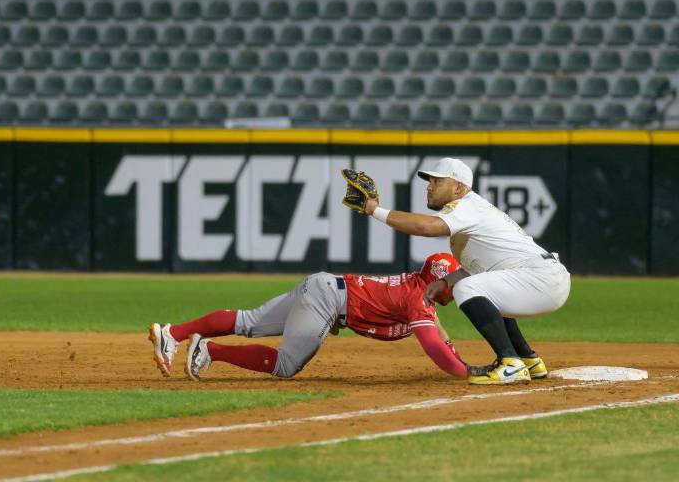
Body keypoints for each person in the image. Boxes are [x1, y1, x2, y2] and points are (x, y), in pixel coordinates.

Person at [358, 157, 571, 385]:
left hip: (540, 277)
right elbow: (480, 267)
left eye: (437, 181)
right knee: (484, 289)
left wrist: (374, 210)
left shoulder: (465, 205)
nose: (429, 186)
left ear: (458, 187)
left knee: (467, 289)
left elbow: (426, 227)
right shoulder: (471, 209)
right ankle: (527, 359)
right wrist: (446, 281)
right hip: (543, 276)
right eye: (429, 181)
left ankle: (510, 363)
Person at [149, 253, 467, 381]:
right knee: (287, 366)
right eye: (452, 281)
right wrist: (467, 372)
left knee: (248, 321)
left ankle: (173, 333)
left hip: (323, 285)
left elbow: (438, 331)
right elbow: (435, 348)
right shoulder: (417, 300)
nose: (454, 287)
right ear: (439, 279)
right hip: (329, 301)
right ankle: (210, 350)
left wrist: (458, 356)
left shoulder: (419, 287)